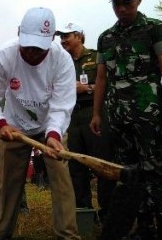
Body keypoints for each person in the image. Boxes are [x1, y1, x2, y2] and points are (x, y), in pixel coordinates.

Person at [90, 0, 162, 239]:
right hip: (119, 117)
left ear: (138, 0)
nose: (122, 9)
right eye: (117, 3)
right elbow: (101, 78)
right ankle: (144, 227)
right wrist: (97, 113)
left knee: (157, 171)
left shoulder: (156, 29)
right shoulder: (105, 38)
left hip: (149, 115)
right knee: (131, 174)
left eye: (127, 3)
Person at [0, 7, 79, 239]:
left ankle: (67, 235)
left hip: (50, 126)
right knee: (7, 186)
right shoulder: (3, 55)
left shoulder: (62, 60)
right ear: (19, 33)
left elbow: (62, 105)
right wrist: (1, 124)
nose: (33, 52)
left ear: (52, 39)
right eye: (28, 45)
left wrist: (54, 135)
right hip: (13, 127)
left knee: (62, 181)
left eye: (39, 47)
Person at [56, 21, 116, 221]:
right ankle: (84, 212)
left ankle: (107, 212)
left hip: (94, 114)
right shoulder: (60, 61)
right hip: (71, 117)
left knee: (101, 164)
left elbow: (107, 83)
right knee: (76, 166)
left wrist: (87, 88)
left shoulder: (96, 56)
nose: (63, 40)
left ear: (79, 36)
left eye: (67, 36)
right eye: (61, 36)